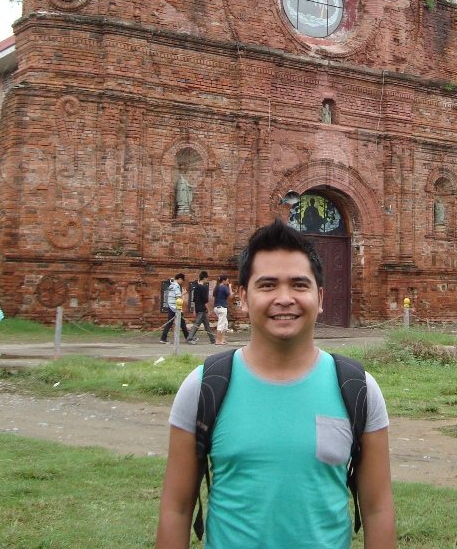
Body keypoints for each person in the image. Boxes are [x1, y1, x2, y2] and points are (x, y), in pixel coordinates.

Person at [156, 220, 396, 549]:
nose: (284, 298)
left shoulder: (358, 390)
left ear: (320, 296)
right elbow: (176, 508)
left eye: (299, 285)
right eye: (267, 285)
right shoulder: (203, 388)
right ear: (242, 296)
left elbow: (378, 509)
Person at [160, 273, 190, 344]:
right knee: (181, 323)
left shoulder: (171, 285)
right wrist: (184, 293)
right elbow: (178, 297)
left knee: (172, 322)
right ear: (179, 279)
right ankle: (188, 337)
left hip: (171, 305)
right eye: (182, 280)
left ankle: (188, 337)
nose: (182, 282)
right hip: (175, 307)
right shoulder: (176, 286)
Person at [187, 271, 215, 344]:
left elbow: (194, 299)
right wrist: (209, 310)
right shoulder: (204, 288)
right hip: (202, 308)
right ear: (205, 278)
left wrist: (193, 310)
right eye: (207, 278)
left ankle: (212, 339)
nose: (207, 280)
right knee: (197, 324)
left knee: (207, 324)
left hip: (197, 308)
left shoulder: (196, 287)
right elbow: (205, 300)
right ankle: (189, 338)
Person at [213, 275, 231, 346]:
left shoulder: (217, 287)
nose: (228, 282)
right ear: (223, 281)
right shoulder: (224, 287)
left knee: (225, 323)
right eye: (227, 280)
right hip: (222, 307)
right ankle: (218, 340)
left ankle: (222, 339)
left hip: (216, 307)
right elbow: (231, 295)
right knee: (221, 324)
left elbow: (214, 296)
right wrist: (229, 287)